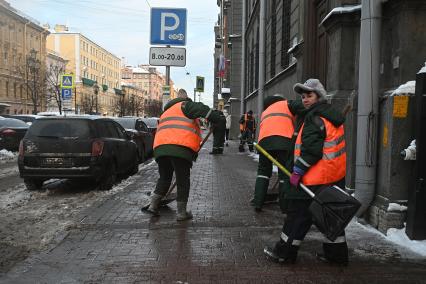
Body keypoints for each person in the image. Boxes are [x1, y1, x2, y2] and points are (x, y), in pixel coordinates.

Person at [264, 78, 348, 265]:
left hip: (314, 178)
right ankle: (336, 256)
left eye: (309, 95)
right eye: (303, 96)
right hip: (333, 177)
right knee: (329, 217)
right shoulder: (330, 116)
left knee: (298, 215)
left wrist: (297, 171)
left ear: (319, 96)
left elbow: (311, 149)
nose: (305, 99)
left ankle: (284, 253)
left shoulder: (314, 118)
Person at [143, 89, 226, 221]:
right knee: (182, 180)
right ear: (186, 98)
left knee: (164, 178)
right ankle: (182, 213)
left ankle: (153, 206)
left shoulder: (166, 112)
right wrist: (217, 117)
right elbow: (202, 109)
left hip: (160, 149)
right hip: (179, 148)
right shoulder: (185, 105)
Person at [251, 95, 304, 213]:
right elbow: (303, 105)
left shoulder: (266, 111)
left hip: (264, 143)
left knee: (263, 172)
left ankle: (258, 202)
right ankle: (284, 206)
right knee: (284, 173)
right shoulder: (287, 103)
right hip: (283, 142)